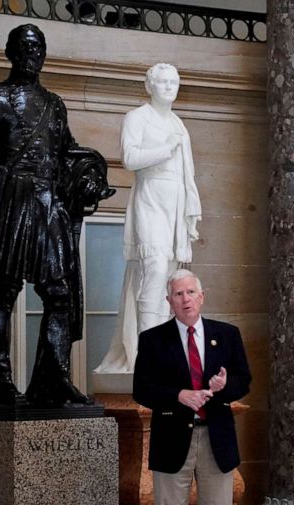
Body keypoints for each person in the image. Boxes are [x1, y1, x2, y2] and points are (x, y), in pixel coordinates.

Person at [0, 23, 100, 406]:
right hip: (10, 203)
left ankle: (52, 378)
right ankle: (2, 381)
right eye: (24, 47)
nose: (31, 54)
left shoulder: (54, 105)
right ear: (10, 52)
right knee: (3, 293)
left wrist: (90, 180)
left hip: (47, 203)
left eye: (38, 48)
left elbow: (68, 154)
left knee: (60, 294)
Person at [132, 269, 250, 505]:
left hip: (217, 439)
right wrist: (178, 396)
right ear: (169, 301)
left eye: (190, 293)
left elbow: (244, 380)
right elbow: (142, 389)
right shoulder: (154, 339)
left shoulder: (226, 335)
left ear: (202, 296)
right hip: (173, 439)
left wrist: (225, 386)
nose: (185, 299)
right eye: (178, 294)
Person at [95, 63, 201, 374]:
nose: (170, 87)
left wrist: (190, 209)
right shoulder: (137, 118)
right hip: (151, 198)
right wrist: (165, 148)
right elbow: (130, 158)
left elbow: (189, 173)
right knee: (154, 268)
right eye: (164, 82)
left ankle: (165, 349)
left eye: (174, 81)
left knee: (170, 274)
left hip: (175, 201)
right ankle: (147, 352)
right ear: (150, 85)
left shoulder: (180, 124)